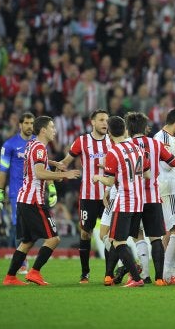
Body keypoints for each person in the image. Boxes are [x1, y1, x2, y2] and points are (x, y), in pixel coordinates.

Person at [2, 116, 81, 286]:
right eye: (52, 127)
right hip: (33, 201)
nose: (55, 130)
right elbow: (39, 173)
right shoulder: (40, 148)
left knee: (27, 242)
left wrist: (53, 163)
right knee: (53, 239)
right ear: (43, 130)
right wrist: (64, 174)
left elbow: (34, 161)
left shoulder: (32, 144)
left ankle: (10, 277)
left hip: (23, 199)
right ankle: (34, 272)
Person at [93, 116, 151, 288]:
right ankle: (110, 275)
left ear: (109, 133)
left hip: (124, 201)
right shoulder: (137, 147)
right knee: (119, 239)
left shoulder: (113, 152)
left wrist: (97, 177)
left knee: (117, 241)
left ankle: (135, 276)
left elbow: (110, 182)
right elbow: (147, 174)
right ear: (125, 129)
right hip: (139, 201)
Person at [56, 109, 113, 284]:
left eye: (107, 120)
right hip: (88, 196)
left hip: (108, 195)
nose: (105, 123)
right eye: (102, 120)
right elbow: (65, 162)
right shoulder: (82, 141)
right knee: (85, 234)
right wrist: (57, 174)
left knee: (109, 235)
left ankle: (108, 274)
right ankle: (85, 273)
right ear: (92, 122)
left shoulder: (112, 142)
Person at [126, 111, 175, 286]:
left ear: (129, 128)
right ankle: (159, 279)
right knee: (156, 237)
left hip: (134, 198)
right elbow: (173, 162)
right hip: (154, 196)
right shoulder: (156, 144)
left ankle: (143, 276)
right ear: (145, 128)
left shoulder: (126, 146)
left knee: (138, 235)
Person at [0, 112, 35, 274]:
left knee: (33, 228)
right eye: (26, 123)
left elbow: (44, 167)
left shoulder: (38, 144)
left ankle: (26, 260)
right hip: (17, 192)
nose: (30, 126)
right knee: (19, 225)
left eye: (32, 123)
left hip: (34, 192)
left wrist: (51, 188)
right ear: (20, 125)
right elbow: (3, 170)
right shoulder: (9, 145)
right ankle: (23, 262)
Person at [153, 107, 175, 284]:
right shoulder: (164, 138)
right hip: (170, 186)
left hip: (171, 186)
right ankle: (168, 274)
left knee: (172, 231)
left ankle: (167, 273)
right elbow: (167, 165)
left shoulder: (164, 137)